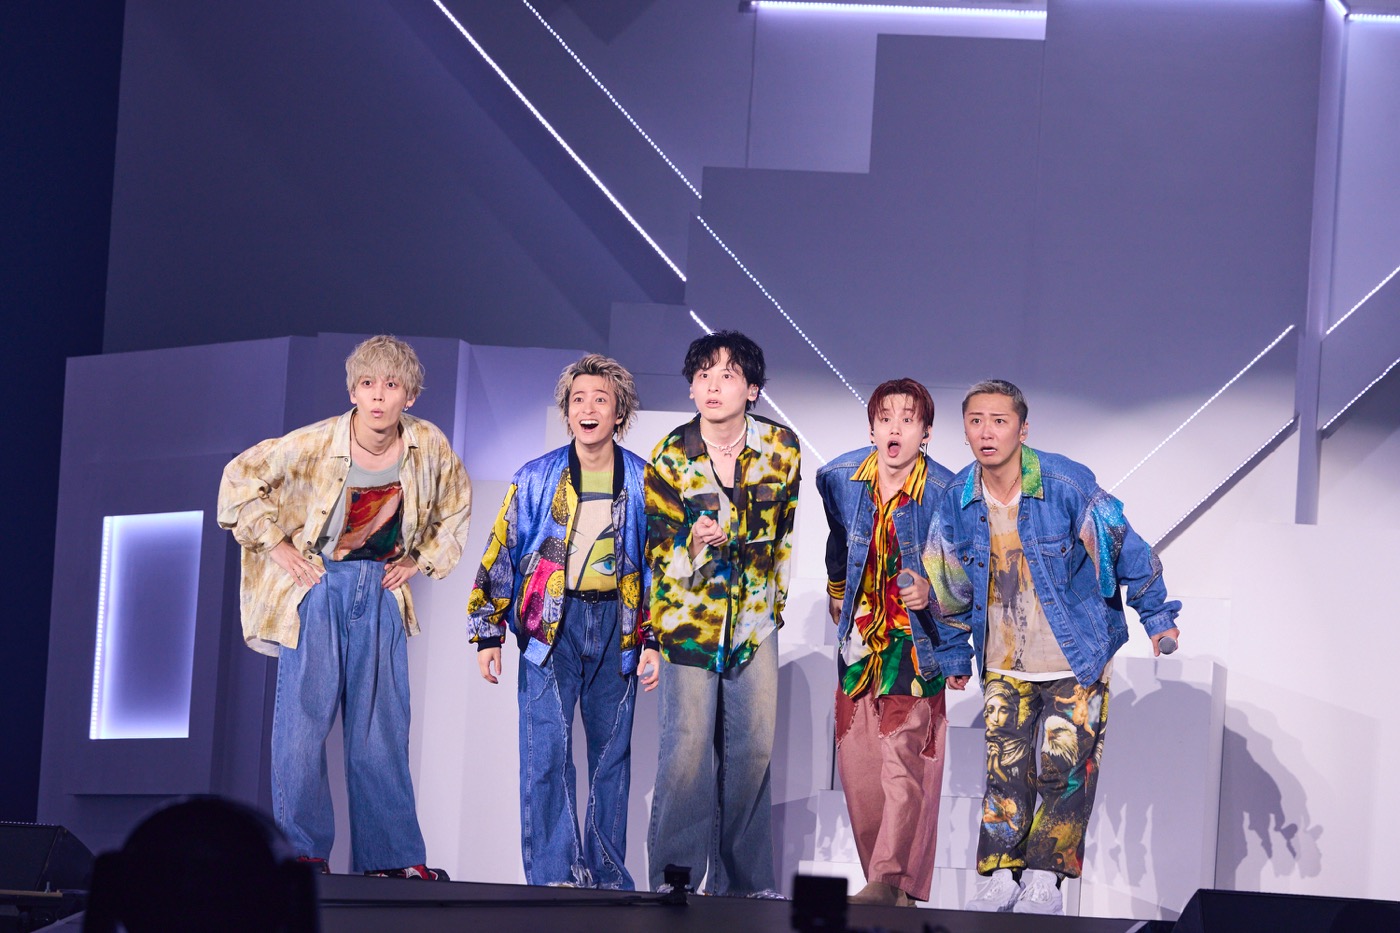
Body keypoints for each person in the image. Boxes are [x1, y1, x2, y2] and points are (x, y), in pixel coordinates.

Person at [217, 335, 471, 879]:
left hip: (380, 590)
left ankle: (391, 859)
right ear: (352, 391)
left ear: (410, 395)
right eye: (367, 384)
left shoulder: (427, 443)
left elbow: (455, 507)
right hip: (319, 586)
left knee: (381, 730)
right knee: (301, 730)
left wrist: (420, 561)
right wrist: (278, 547)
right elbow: (238, 480)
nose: (378, 396)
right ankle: (304, 854)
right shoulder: (314, 442)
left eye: (391, 385)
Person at [924, 379, 1180, 915]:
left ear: (1022, 428)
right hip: (1002, 658)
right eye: (976, 420)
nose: (986, 432)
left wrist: (1157, 618)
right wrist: (952, 655)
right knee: (1004, 770)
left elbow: (1124, 545)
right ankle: (1001, 874)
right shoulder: (957, 500)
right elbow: (946, 582)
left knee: (1064, 769)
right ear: (964, 430)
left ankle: (1045, 876)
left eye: (999, 421)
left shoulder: (1065, 482)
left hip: (1076, 654)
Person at [467, 354, 656, 889]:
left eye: (601, 399)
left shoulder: (644, 480)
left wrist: (653, 639)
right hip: (549, 628)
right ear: (567, 411)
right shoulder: (534, 477)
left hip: (618, 628)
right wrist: (487, 632)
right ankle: (554, 877)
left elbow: (661, 566)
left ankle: (608, 877)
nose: (588, 409)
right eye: (578, 400)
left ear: (619, 412)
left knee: (610, 760)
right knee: (545, 753)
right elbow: (502, 549)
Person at [645, 330, 800, 897]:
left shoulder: (782, 447)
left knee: (752, 754)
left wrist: (774, 607)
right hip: (688, 623)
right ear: (691, 388)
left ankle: (745, 884)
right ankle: (675, 879)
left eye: (727, 375)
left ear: (752, 389)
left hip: (754, 622)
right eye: (703, 375)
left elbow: (782, 536)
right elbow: (655, 547)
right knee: (685, 753)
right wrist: (691, 543)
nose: (712, 386)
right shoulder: (670, 454)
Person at [815, 378, 955, 907]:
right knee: (859, 769)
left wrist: (935, 599)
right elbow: (838, 539)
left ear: (926, 433)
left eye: (908, 418)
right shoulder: (841, 477)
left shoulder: (945, 492)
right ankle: (890, 889)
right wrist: (837, 592)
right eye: (885, 417)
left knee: (904, 759)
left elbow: (966, 574)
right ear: (872, 428)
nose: (895, 427)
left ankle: (889, 878)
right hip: (859, 640)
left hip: (914, 643)